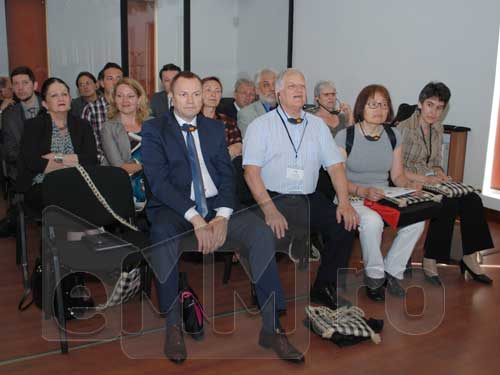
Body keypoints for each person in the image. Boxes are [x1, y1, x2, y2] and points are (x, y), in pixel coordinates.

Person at [141, 71, 304, 364]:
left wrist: (223, 216)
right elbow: (158, 183)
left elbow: (227, 177)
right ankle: (173, 325)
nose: (190, 100)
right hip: (175, 206)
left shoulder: (214, 128)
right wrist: (196, 219)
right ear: (171, 98)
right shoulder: (154, 129)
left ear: (203, 97)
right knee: (161, 236)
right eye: (183, 94)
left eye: (196, 94)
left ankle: (273, 326)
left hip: (216, 203)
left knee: (261, 233)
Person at [243, 68, 359, 309]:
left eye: (302, 86)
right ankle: (263, 287)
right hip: (272, 197)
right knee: (264, 233)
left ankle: (324, 287)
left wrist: (345, 203)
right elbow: (251, 173)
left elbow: (335, 167)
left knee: (345, 225)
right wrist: (270, 210)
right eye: (292, 86)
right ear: (278, 93)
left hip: (307, 197)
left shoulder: (317, 126)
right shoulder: (260, 126)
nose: (298, 90)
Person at [335, 84, 425, 301]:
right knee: (373, 222)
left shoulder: (393, 135)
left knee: (417, 220)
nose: (379, 109)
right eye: (372, 104)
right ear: (361, 107)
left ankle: (391, 272)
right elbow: (337, 177)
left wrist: (408, 187)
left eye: (384, 104)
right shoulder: (345, 136)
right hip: (351, 195)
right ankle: (374, 278)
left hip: (383, 194)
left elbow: (397, 176)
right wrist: (361, 190)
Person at [397, 82, 494, 285]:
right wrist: (427, 179)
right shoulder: (404, 128)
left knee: (472, 199)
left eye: (439, 107)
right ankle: (430, 258)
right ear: (420, 103)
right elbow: (398, 170)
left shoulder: (438, 128)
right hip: (407, 181)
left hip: (429, 178)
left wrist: (441, 174)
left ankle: (469, 256)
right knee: (447, 203)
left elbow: (434, 163)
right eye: (430, 105)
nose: (434, 112)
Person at [16, 77, 98, 213]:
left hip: (79, 181)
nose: (61, 98)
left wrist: (57, 157)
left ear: (70, 99)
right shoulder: (34, 125)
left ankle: (85, 232)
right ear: (45, 104)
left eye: (64, 94)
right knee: (70, 196)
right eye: (54, 95)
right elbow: (33, 163)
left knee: (91, 193)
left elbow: (91, 159)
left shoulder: (83, 125)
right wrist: (73, 162)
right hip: (41, 184)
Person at [0, 67, 42, 237]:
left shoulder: (50, 106)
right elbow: (10, 152)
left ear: (35, 84)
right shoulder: (10, 115)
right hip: (23, 172)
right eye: (16, 84)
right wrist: (37, 162)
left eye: (25, 83)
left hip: (55, 168)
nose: (20, 88)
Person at [101, 78, 151, 210]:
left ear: (139, 99)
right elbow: (119, 168)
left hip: (153, 187)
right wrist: (147, 165)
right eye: (120, 96)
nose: (125, 101)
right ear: (114, 99)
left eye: (130, 96)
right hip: (120, 189)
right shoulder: (108, 127)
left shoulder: (153, 124)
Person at [82, 62, 123, 162]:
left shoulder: (131, 106)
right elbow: (88, 146)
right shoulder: (91, 109)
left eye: (119, 78)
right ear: (101, 83)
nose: (115, 82)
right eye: (110, 78)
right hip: (104, 165)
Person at [201, 76, 242, 160]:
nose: (213, 94)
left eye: (217, 91)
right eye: (208, 90)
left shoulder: (228, 121)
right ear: (199, 93)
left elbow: (237, 147)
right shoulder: (192, 120)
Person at [237, 68, 277, 138]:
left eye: (275, 84)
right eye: (266, 85)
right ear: (257, 90)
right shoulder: (246, 114)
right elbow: (251, 144)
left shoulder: (288, 109)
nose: (272, 89)